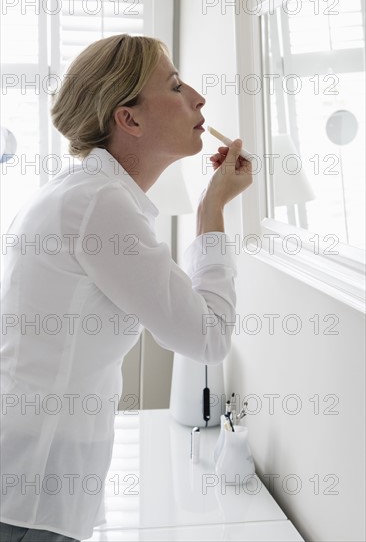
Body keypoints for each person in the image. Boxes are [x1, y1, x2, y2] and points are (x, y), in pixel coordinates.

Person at [0, 34, 252, 541]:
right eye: (176, 86)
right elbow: (208, 339)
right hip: (31, 478)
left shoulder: (86, 193)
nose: (199, 99)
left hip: (33, 465)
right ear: (129, 119)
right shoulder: (98, 204)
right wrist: (212, 212)